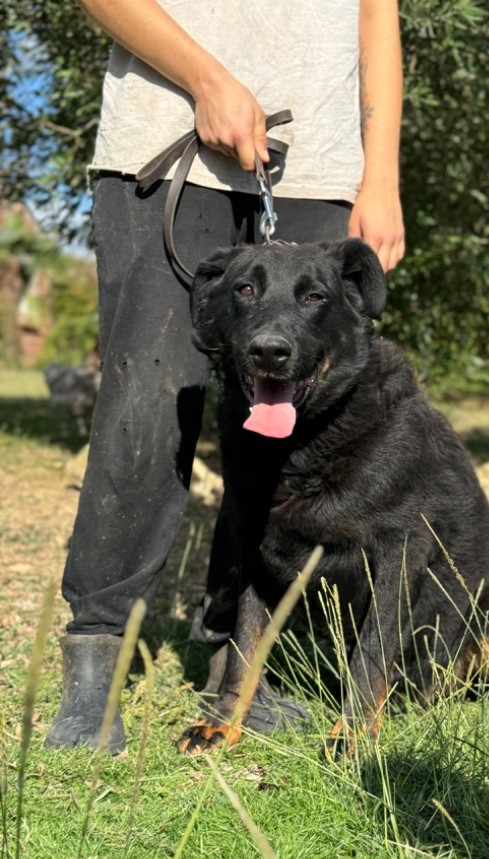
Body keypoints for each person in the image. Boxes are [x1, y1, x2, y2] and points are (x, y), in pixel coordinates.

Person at [45, 0, 405, 754]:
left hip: (320, 163)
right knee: (148, 403)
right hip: (169, 142)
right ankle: (96, 661)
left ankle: (238, 665)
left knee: (290, 425)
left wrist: (382, 175)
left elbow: (377, 17)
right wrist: (204, 77)